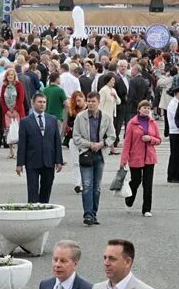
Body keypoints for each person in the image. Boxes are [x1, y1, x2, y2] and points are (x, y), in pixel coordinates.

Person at [73, 91, 116, 225]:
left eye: (93, 102)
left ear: (98, 103)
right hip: (86, 154)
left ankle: (94, 213)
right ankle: (88, 214)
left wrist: (102, 144)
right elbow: (76, 137)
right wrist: (90, 144)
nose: (91, 104)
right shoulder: (80, 117)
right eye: (89, 101)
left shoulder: (106, 117)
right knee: (86, 185)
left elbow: (112, 136)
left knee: (96, 187)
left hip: (100, 155)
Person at [17, 93, 64, 204]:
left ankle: (44, 209)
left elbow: (57, 141)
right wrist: (19, 164)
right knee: (32, 189)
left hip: (48, 160)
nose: (42, 104)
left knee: (46, 188)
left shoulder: (52, 119)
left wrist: (59, 161)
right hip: (32, 160)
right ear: (33, 103)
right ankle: (33, 211)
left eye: (44, 102)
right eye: (39, 102)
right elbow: (22, 144)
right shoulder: (25, 122)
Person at [120, 100, 163, 217]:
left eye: (148, 108)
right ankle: (129, 200)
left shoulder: (152, 123)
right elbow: (127, 143)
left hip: (149, 157)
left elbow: (159, 139)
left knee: (148, 183)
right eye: (144, 107)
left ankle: (147, 209)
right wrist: (123, 160)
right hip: (136, 157)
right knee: (136, 181)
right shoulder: (132, 124)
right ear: (139, 109)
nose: (146, 110)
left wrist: (150, 139)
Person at [1, 68, 26, 159]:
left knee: (19, 131)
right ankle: (11, 151)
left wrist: (15, 110)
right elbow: (2, 100)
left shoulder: (19, 85)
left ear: (14, 76)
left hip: (17, 112)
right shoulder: (4, 86)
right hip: (7, 112)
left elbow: (21, 99)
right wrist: (7, 111)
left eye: (12, 75)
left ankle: (19, 152)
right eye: (8, 75)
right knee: (9, 131)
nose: (10, 76)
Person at [66, 91, 87, 194]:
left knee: (86, 161)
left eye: (79, 100)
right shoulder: (73, 111)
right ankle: (77, 183)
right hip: (73, 139)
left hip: (86, 140)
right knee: (75, 162)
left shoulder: (89, 109)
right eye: (75, 101)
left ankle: (85, 182)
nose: (77, 103)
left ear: (83, 98)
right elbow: (69, 123)